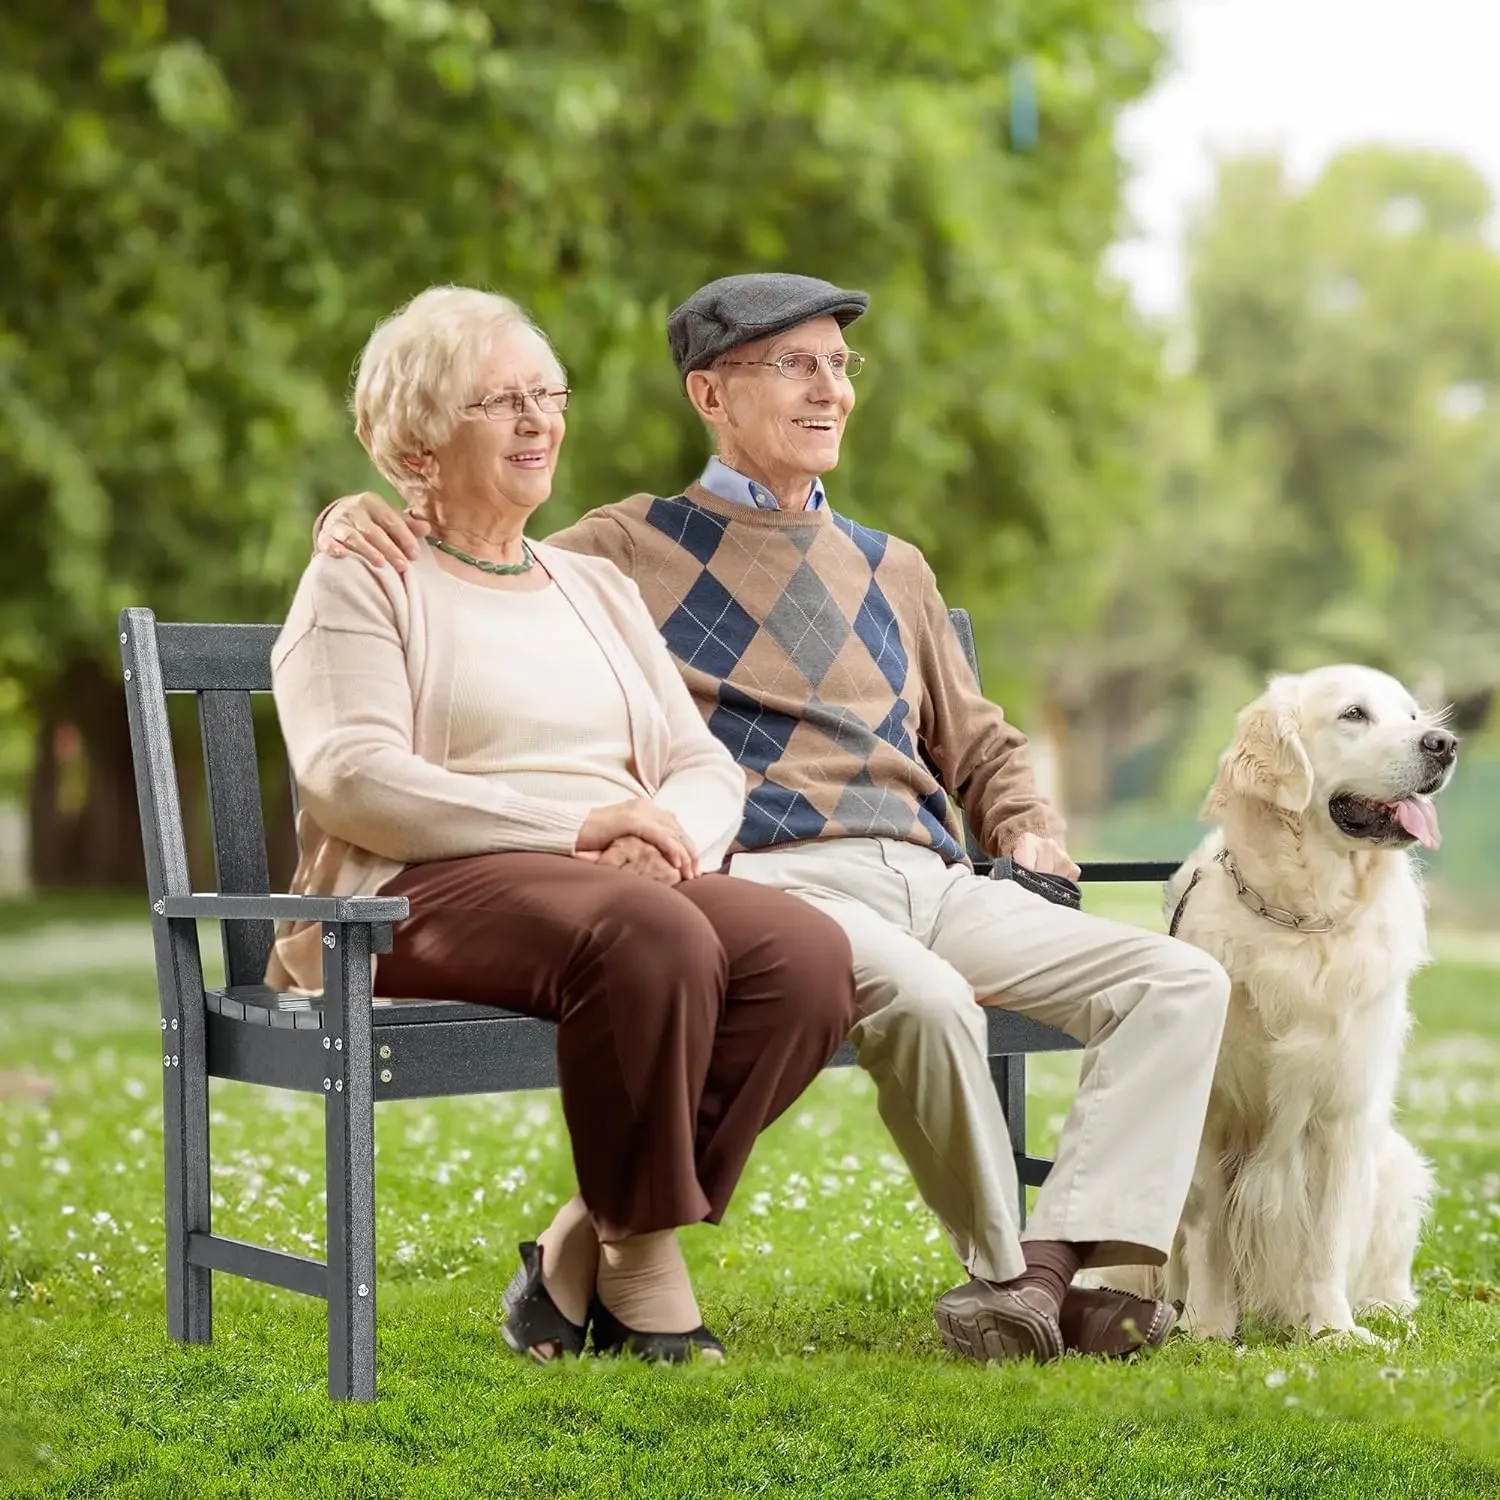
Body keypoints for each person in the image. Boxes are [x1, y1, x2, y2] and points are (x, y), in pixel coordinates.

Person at [313, 273, 1233, 1364]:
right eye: (795, 364)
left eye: (840, 366)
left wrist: (1026, 823)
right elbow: (477, 540)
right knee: (929, 1006)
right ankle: (1012, 1283)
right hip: (771, 872)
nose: (829, 390)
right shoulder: (623, 548)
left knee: (1180, 981)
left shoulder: (897, 570)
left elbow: (979, 742)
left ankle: (1048, 1270)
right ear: (710, 395)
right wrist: (357, 508)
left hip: (931, 874)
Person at [270, 284, 856, 1366]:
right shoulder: (362, 574)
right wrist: (582, 827)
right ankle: (645, 1270)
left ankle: (582, 1236)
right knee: (653, 934)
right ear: (423, 434)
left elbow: (697, 760)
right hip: (414, 892)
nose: (540, 419)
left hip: (616, 878)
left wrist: (661, 832)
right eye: (503, 401)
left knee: (807, 955)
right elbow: (352, 776)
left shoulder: (593, 586)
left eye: (549, 394)